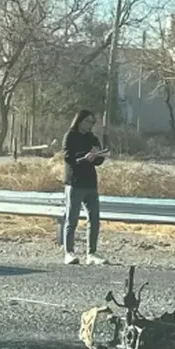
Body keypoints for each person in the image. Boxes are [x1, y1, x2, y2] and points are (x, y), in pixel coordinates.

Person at [62, 109, 107, 266]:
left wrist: (98, 156)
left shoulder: (92, 138)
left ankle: (92, 253)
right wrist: (84, 158)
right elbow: (68, 158)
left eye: (92, 122)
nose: (89, 125)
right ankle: (69, 252)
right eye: (87, 121)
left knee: (94, 218)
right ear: (79, 120)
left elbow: (98, 161)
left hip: (90, 183)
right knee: (71, 218)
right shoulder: (70, 136)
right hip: (75, 182)